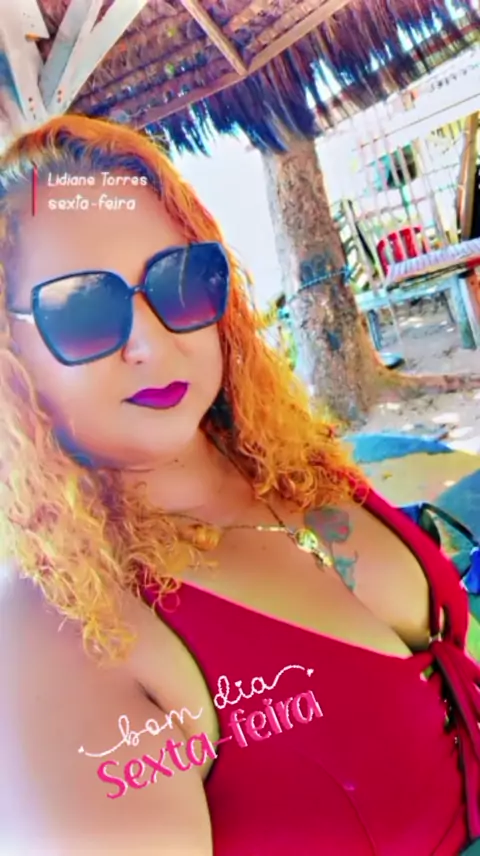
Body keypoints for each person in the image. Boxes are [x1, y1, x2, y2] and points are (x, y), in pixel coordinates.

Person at [0, 115, 478, 856]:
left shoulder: (284, 458)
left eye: (178, 280)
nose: (152, 341)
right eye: (83, 308)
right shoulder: (58, 632)